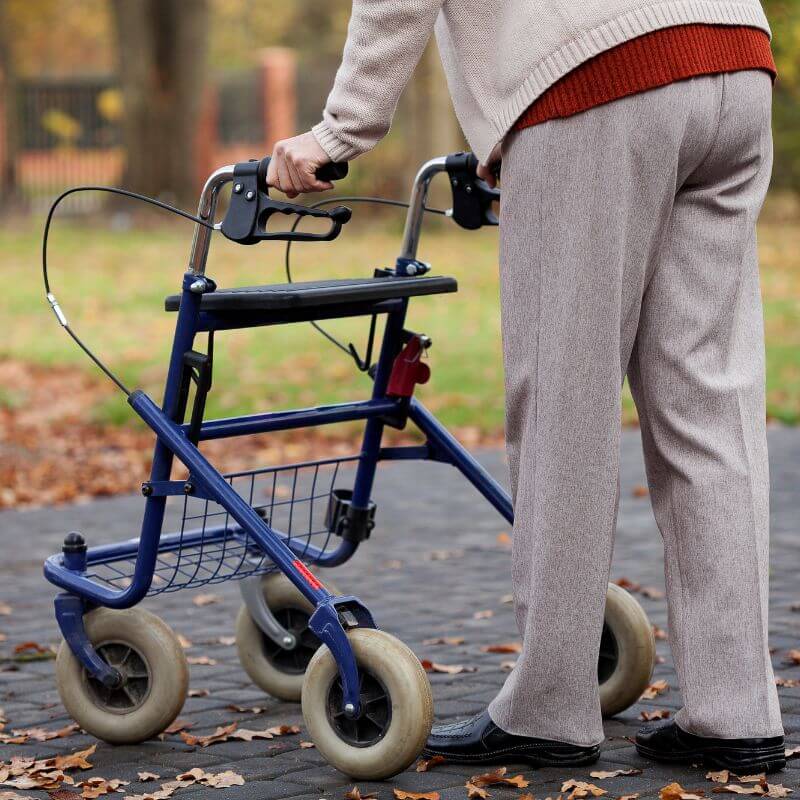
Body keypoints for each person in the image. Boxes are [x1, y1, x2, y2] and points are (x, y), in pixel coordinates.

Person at [267, 0, 786, 774]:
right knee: (709, 399)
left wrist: (339, 133)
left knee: (565, 402)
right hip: (732, 55)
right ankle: (736, 711)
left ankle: (549, 709)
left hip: (595, 79)